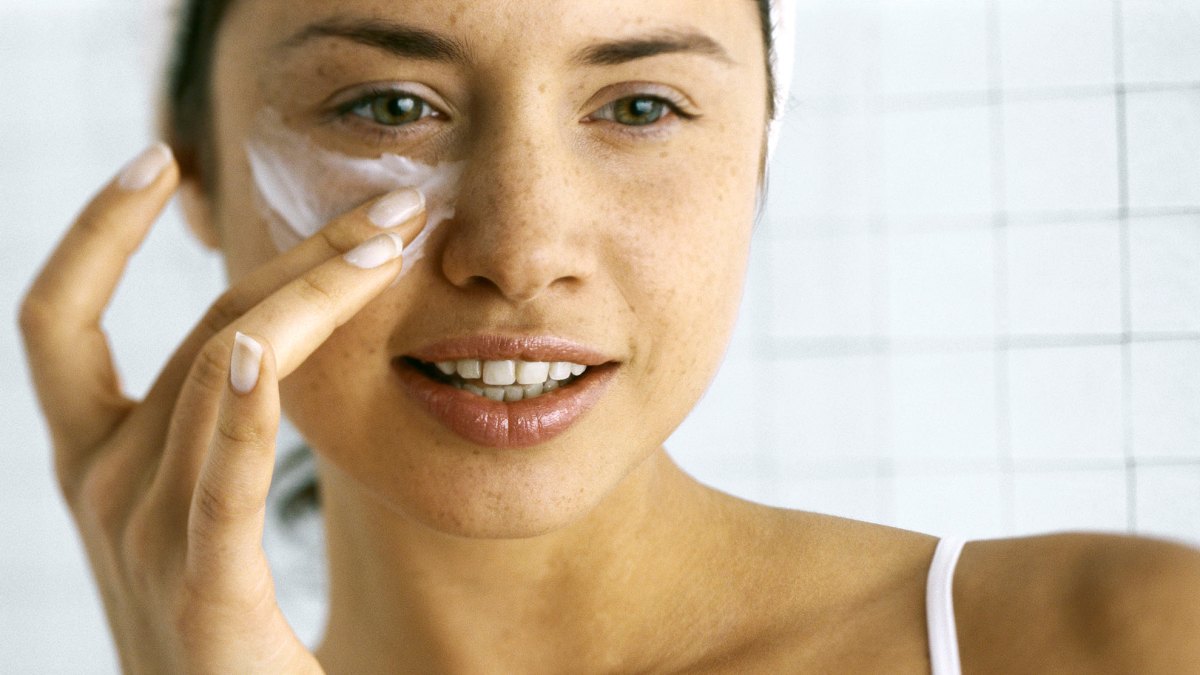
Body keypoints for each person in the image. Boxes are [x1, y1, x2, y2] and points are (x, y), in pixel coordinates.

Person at [17, 0, 1200, 672]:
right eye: (389, 107)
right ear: (195, 162)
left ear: (759, 149)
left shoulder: (1119, 644)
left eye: (639, 108)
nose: (521, 249)